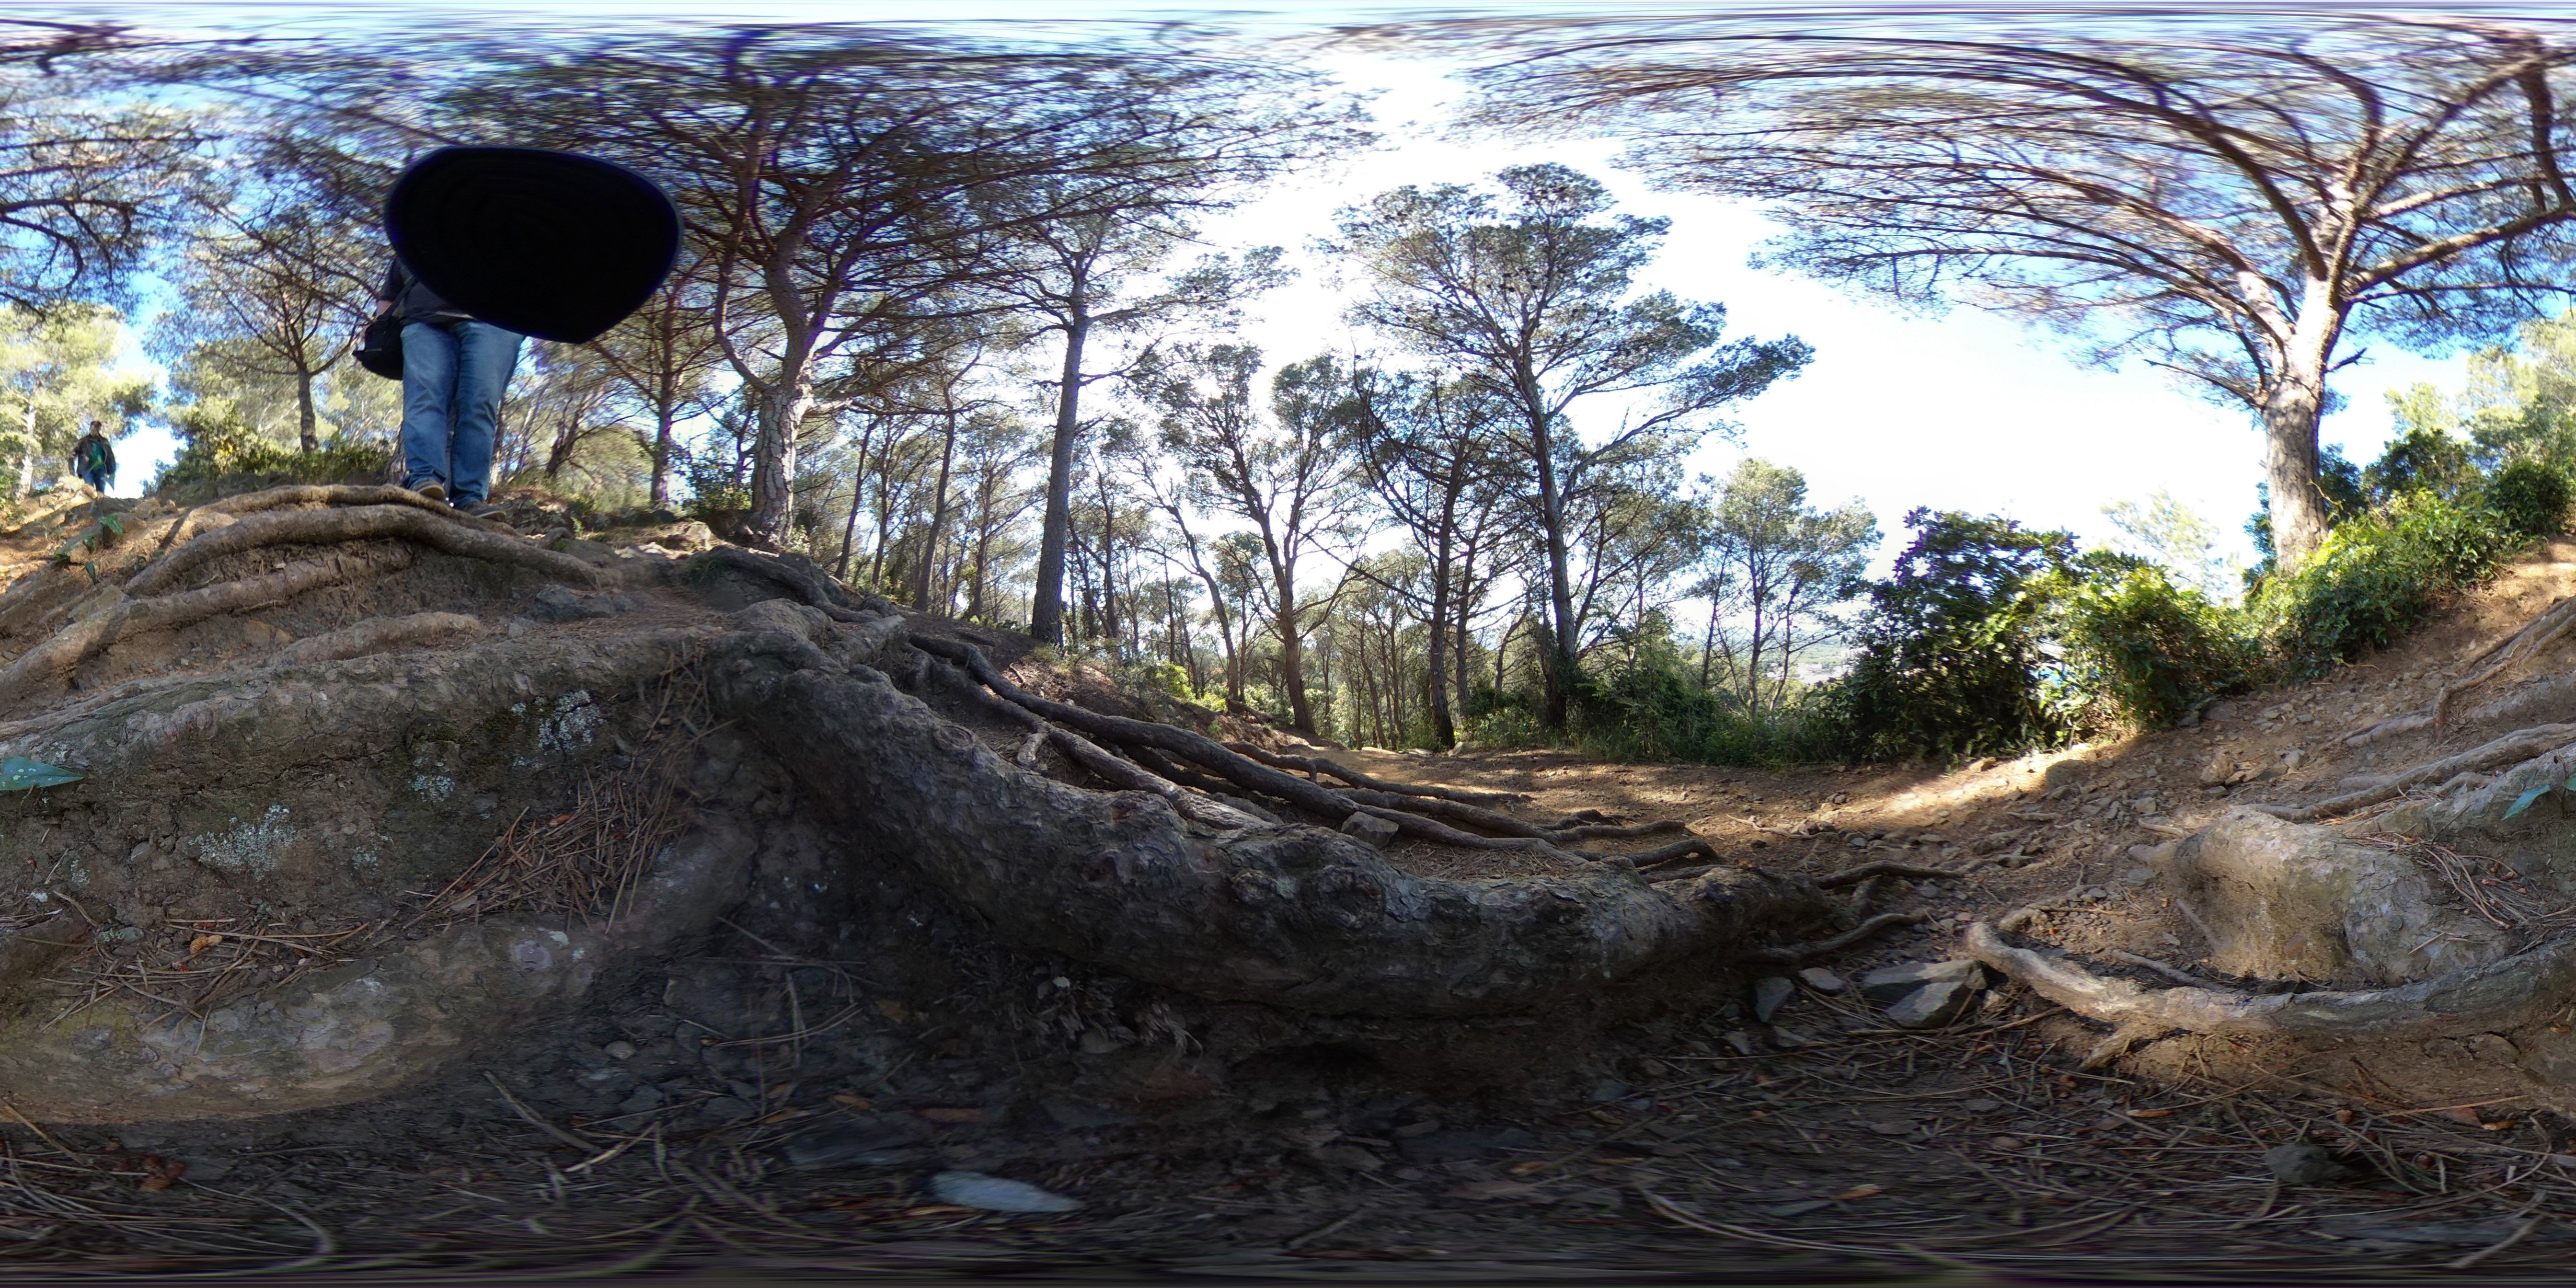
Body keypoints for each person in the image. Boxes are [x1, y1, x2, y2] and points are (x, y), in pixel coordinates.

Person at [376, 257, 522, 517]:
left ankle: (470, 499)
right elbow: (390, 293)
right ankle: (424, 480)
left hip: (495, 322)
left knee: (479, 406)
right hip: (424, 322)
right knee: (425, 399)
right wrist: (379, 325)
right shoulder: (414, 240)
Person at [67, 420, 114, 493]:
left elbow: (111, 457)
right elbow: (72, 455)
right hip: (86, 469)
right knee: (89, 490)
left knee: (101, 492)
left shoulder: (104, 442)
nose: (94, 431)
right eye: (92, 429)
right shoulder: (84, 441)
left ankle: (100, 500)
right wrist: (72, 470)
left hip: (101, 469)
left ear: (99, 430)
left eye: (96, 429)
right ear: (90, 428)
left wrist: (112, 471)